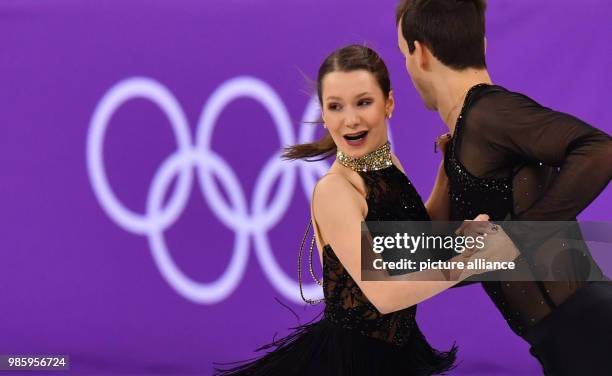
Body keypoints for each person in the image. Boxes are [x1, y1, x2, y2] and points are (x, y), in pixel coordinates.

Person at [214, 44, 517, 376]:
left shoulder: (387, 167)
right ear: (324, 115)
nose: (350, 119)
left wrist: (446, 171)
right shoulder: (336, 190)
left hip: (397, 352)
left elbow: (416, 244)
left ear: (389, 103)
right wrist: (465, 262)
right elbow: (383, 294)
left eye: (363, 102)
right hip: (350, 361)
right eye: (335, 106)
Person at [395, 1, 612, 374]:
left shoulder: (487, 113)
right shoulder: (465, 138)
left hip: (591, 332)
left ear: (421, 53)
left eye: (403, 55)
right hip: (566, 341)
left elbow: (601, 149)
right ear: (482, 43)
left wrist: (516, 238)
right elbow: (440, 261)